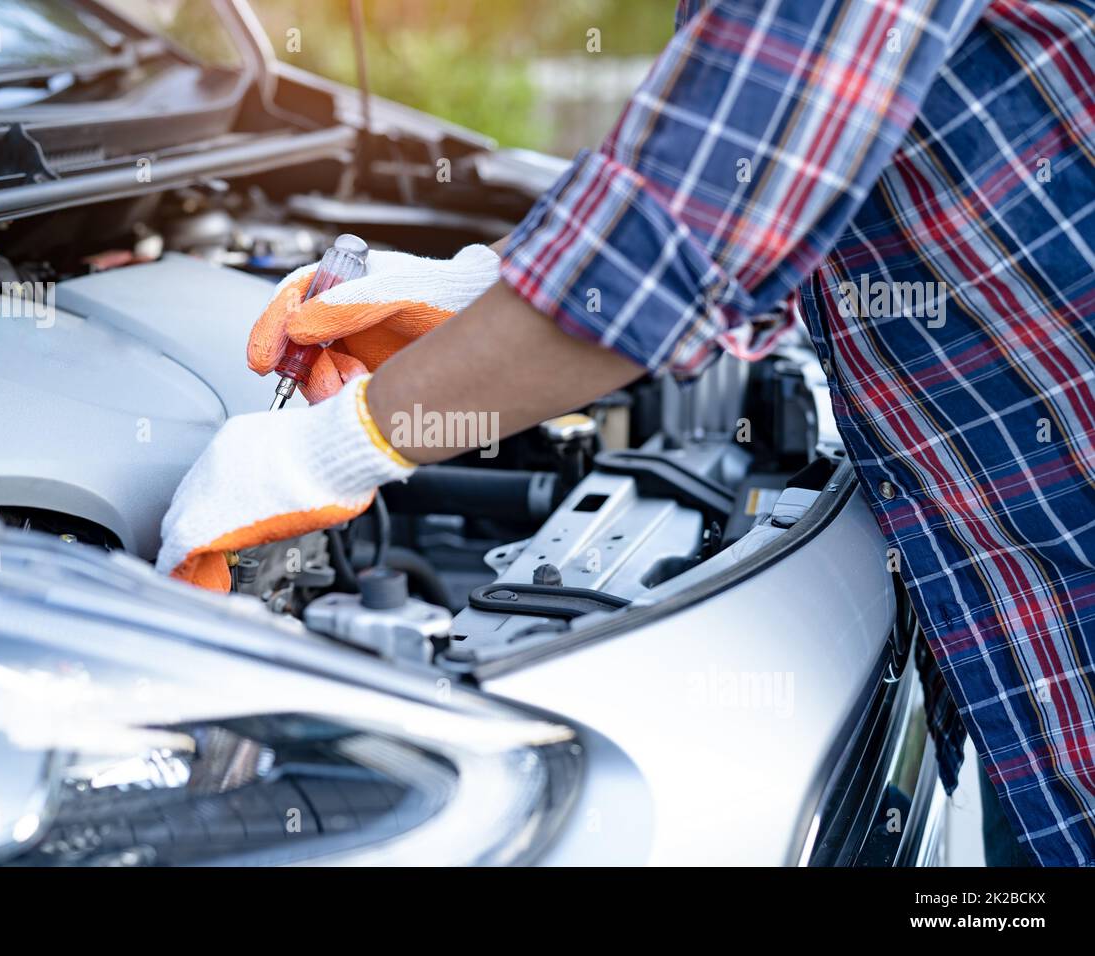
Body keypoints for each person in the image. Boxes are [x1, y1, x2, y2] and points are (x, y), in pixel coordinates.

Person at [158, 0, 1095, 866]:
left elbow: (683, 246)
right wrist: (464, 294)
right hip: (1029, 659)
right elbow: (763, 190)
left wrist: (320, 455)